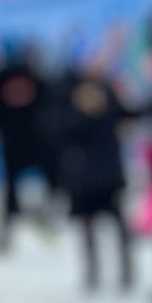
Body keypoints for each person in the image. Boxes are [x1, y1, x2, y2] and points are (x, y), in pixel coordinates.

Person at [56, 68, 133, 290]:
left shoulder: (110, 111)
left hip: (107, 179)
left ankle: (125, 269)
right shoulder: (72, 116)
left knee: (117, 226)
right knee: (88, 228)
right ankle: (93, 271)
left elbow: (129, 117)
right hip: (85, 182)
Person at [0, 44, 53, 249]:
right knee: (44, 184)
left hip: (17, 142)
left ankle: (9, 231)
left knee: (11, 191)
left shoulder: (2, 79)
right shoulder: (37, 80)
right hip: (30, 141)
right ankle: (27, 223)